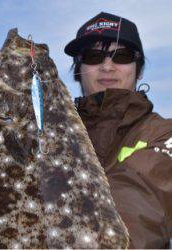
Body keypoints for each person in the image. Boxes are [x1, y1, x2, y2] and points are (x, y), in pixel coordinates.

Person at [64, 12, 172, 248]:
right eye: (94, 56)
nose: (107, 66)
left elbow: (142, 198)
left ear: (139, 69)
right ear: (78, 70)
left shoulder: (164, 133)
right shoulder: (53, 139)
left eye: (121, 56)